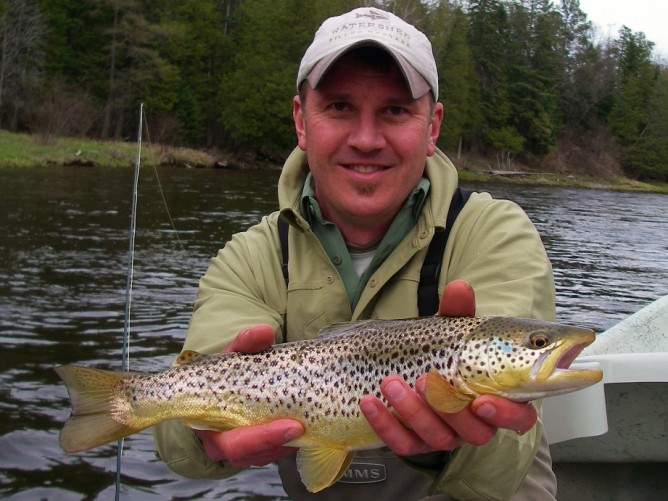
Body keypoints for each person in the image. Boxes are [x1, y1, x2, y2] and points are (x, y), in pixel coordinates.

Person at [154, 7, 557, 500]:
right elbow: (174, 439)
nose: (366, 140)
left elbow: (505, 461)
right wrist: (204, 438)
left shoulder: (494, 234)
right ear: (301, 121)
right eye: (340, 107)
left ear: (432, 126)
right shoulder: (249, 258)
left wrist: (439, 440)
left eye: (394, 110)